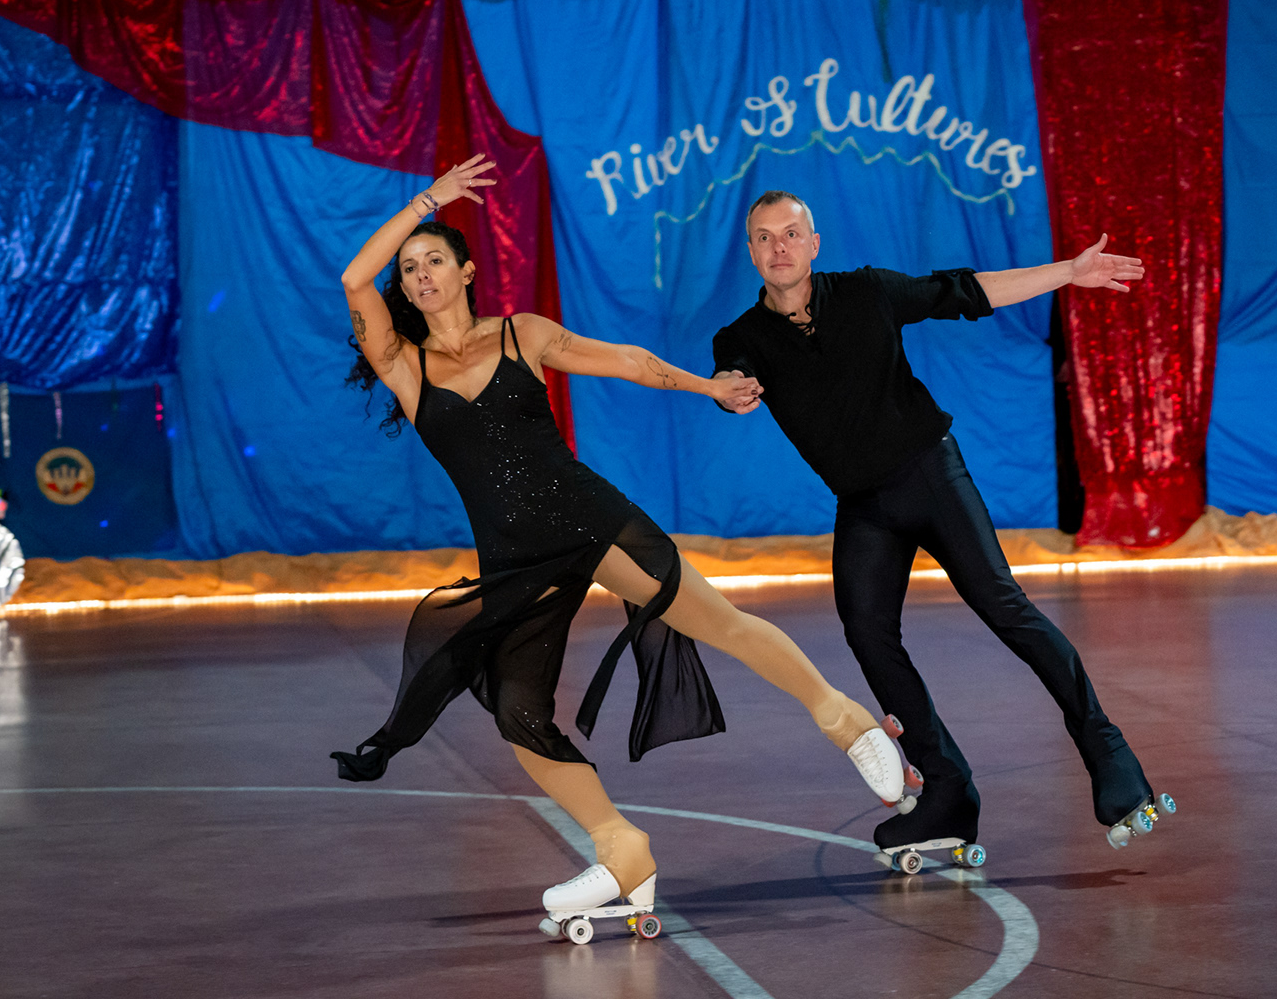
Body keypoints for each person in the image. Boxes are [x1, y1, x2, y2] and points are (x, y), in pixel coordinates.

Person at [330, 159, 907, 933]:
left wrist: (708, 387)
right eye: (409, 268)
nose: (421, 274)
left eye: (434, 258)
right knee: (519, 714)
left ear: (466, 271)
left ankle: (847, 722)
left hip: (588, 520)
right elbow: (353, 278)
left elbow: (629, 361)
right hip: (514, 561)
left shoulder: (522, 334)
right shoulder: (406, 367)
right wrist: (428, 201)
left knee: (718, 621)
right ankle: (622, 849)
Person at [711, 189, 1174, 860]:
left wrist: (1069, 272)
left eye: (790, 234)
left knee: (1004, 606)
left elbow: (965, 290)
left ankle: (1110, 754)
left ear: (813, 244)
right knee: (868, 632)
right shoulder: (741, 338)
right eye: (764, 237)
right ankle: (949, 790)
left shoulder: (867, 292)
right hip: (864, 504)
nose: (778, 248)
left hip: (930, 474)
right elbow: (732, 378)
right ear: (751, 251)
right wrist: (730, 392)